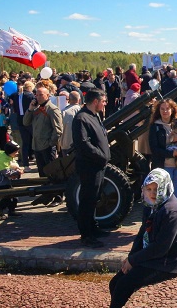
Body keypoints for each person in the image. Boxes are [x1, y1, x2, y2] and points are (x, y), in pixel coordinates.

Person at [72, 89, 111, 248]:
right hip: (89, 166)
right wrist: (101, 155)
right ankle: (86, 234)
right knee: (87, 200)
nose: (104, 104)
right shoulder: (81, 118)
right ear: (95, 101)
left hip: (98, 165)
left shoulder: (94, 115)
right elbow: (83, 144)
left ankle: (93, 228)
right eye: (103, 101)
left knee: (94, 198)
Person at [147, 99, 177, 204]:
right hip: (164, 165)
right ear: (158, 110)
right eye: (162, 109)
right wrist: (172, 153)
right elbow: (154, 149)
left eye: (167, 108)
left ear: (172, 109)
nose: (165, 111)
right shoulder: (155, 126)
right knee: (164, 195)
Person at [23, 85, 63, 181]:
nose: (38, 97)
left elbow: (58, 130)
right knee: (42, 173)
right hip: (37, 145)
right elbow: (25, 122)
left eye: (41, 95)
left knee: (52, 172)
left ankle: (56, 193)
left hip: (47, 147)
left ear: (48, 95)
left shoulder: (52, 109)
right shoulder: (36, 109)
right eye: (36, 95)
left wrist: (50, 143)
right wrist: (30, 109)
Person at [0, 140, 24, 219]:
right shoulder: (3, 160)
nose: (17, 153)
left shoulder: (9, 157)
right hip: (0, 182)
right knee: (7, 197)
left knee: (14, 197)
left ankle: (11, 211)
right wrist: (18, 173)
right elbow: (7, 173)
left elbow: (14, 166)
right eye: (16, 152)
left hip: (5, 181)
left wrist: (17, 171)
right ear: (10, 151)